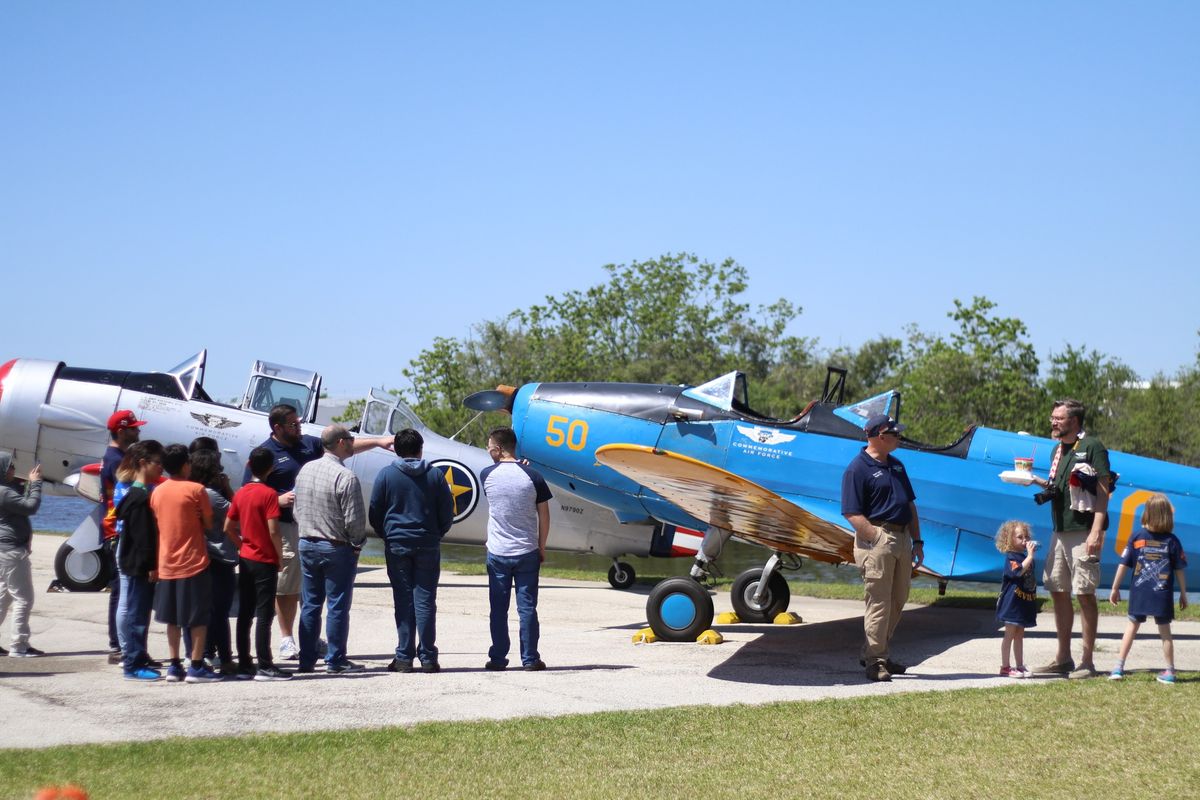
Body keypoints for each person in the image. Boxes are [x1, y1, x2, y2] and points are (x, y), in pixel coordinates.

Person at [246, 403, 391, 660]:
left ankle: (310, 643)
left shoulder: (309, 444)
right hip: (286, 526)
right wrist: (277, 500)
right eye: (293, 424)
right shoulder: (265, 453)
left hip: (314, 527)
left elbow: (342, 445)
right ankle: (287, 638)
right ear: (277, 428)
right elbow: (251, 492)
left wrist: (378, 442)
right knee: (288, 586)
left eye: (299, 423)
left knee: (310, 594)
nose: (299, 428)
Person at [1029, 398, 1111, 679]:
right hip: (1059, 530)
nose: (1053, 422)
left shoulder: (1092, 447)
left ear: (1074, 421)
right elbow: (1060, 487)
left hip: (1083, 530)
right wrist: (1033, 480)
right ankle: (1063, 658)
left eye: (1059, 418)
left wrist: (1097, 531)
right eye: (1053, 417)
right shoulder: (1057, 449)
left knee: (1085, 594)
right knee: (1057, 589)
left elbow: (1103, 490)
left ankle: (1087, 662)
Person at [841, 413, 923, 682]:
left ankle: (877, 653)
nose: (899, 436)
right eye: (894, 433)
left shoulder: (897, 466)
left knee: (898, 600)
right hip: (878, 538)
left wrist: (917, 541)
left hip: (902, 539)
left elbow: (910, 506)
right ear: (879, 436)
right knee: (878, 602)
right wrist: (875, 537)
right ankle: (875, 662)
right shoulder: (857, 468)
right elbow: (851, 513)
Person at [369, 428, 454, 673]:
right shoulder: (436, 475)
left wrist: (387, 533)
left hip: (397, 544)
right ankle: (428, 657)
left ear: (396, 449)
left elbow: (375, 511)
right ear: (420, 449)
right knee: (425, 600)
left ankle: (404, 657)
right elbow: (447, 512)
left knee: (403, 600)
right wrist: (437, 533)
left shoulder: (386, 475)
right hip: (428, 543)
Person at [294, 425, 370, 674]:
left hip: (307, 542)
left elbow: (296, 509)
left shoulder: (305, 470)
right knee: (337, 605)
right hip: (336, 546)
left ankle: (306, 659)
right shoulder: (346, 477)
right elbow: (355, 520)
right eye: (350, 438)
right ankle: (335, 660)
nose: (352, 442)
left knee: (310, 604)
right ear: (340, 442)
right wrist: (357, 544)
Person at [480, 426, 552, 671]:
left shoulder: (486, 475)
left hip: (498, 552)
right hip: (527, 550)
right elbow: (544, 515)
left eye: (489, 446)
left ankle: (498, 658)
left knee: (498, 609)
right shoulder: (534, 477)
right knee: (527, 607)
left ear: (499, 449)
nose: (487, 450)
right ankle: (530, 658)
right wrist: (541, 546)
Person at [149, 444, 218, 683]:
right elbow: (209, 524)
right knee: (198, 616)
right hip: (194, 560)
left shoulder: (157, 492)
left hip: (167, 561)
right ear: (185, 465)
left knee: (172, 618)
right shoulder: (197, 489)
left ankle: (174, 664)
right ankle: (196, 665)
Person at [1108, 493, 1189, 684]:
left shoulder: (1136, 537)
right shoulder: (1172, 541)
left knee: (1131, 627)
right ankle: (1170, 671)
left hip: (1139, 592)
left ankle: (1118, 667)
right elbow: (1179, 570)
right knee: (1165, 632)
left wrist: (1114, 587)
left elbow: (1123, 563)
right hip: (1162, 594)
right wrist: (1184, 594)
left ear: (1147, 514)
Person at [226, 447, 287, 681]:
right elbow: (273, 529)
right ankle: (265, 664)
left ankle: (244, 663)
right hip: (265, 559)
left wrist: (241, 545)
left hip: (246, 557)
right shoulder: (269, 494)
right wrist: (279, 556)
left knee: (245, 612)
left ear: (249, 465)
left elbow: (228, 527)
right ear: (271, 468)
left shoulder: (241, 492)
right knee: (264, 613)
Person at [114, 441, 166, 680]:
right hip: (137, 564)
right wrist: (151, 565)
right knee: (136, 614)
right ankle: (132, 664)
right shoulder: (139, 497)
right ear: (143, 463)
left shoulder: (139, 493)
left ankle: (139, 655)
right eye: (157, 463)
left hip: (136, 561)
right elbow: (142, 537)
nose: (161, 469)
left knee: (141, 612)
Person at [100, 409, 146, 663]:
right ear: (121, 431)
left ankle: (120, 643)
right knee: (121, 591)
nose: (138, 431)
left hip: (114, 529)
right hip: (116, 531)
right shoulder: (118, 460)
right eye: (133, 428)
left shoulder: (117, 456)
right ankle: (118, 645)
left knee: (122, 590)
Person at [188, 448, 238, 677]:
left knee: (204, 609)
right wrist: (227, 487)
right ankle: (226, 658)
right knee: (220, 612)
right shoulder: (213, 496)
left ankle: (204, 652)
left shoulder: (191, 491)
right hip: (219, 556)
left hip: (199, 556)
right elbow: (239, 512)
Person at [0, 451, 43, 657]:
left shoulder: (5, 491)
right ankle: (18, 645)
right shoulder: (4, 493)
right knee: (24, 598)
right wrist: (35, 484)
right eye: (10, 467)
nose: (14, 469)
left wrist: (21, 484)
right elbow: (30, 506)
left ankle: (18, 643)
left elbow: (17, 506)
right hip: (11, 552)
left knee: (4, 597)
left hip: (5, 551)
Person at [994, 520, 1037, 678]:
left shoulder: (1024, 557)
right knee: (1009, 635)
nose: (1024, 540)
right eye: (1020, 537)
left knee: (1019, 635)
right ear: (1009, 539)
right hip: (1012, 603)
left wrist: (1029, 557)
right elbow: (1017, 571)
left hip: (1023, 602)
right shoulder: (1012, 557)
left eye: (1026, 536)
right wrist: (1030, 556)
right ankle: (1005, 666)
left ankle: (1019, 665)